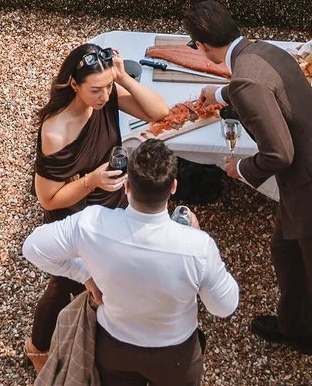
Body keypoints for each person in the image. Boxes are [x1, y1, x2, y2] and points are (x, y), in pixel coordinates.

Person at [191, 0, 312, 386]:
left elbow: (279, 153)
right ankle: (297, 329)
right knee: (286, 252)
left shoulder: (246, 80)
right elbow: (263, 90)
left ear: (204, 46)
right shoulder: (264, 50)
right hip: (307, 185)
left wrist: (238, 169)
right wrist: (219, 94)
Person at [23, 137, 240, 386]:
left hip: (114, 347)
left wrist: (84, 275)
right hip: (175, 355)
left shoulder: (91, 224)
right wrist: (198, 236)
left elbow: (33, 248)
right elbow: (223, 306)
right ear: (173, 187)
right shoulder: (197, 247)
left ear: (127, 186)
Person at [27, 41, 173, 368]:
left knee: (106, 274)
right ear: (73, 85)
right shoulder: (55, 131)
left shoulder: (106, 100)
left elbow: (159, 112)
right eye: (96, 89)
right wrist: (90, 181)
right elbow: (48, 198)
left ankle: (94, 333)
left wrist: (123, 78)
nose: (104, 96)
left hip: (111, 204)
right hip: (73, 214)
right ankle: (37, 345)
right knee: (66, 281)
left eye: (108, 87)